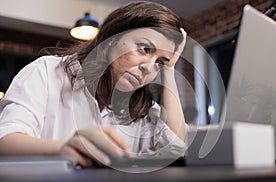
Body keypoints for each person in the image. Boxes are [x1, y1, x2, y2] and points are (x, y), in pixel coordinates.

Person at [0, 1, 187, 168]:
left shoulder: (141, 107)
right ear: (112, 39)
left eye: (160, 62)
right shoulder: (46, 72)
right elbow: (5, 140)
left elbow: (176, 151)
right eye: (145, 49)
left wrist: (169, 69)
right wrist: (62, 149)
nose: (149, 68)